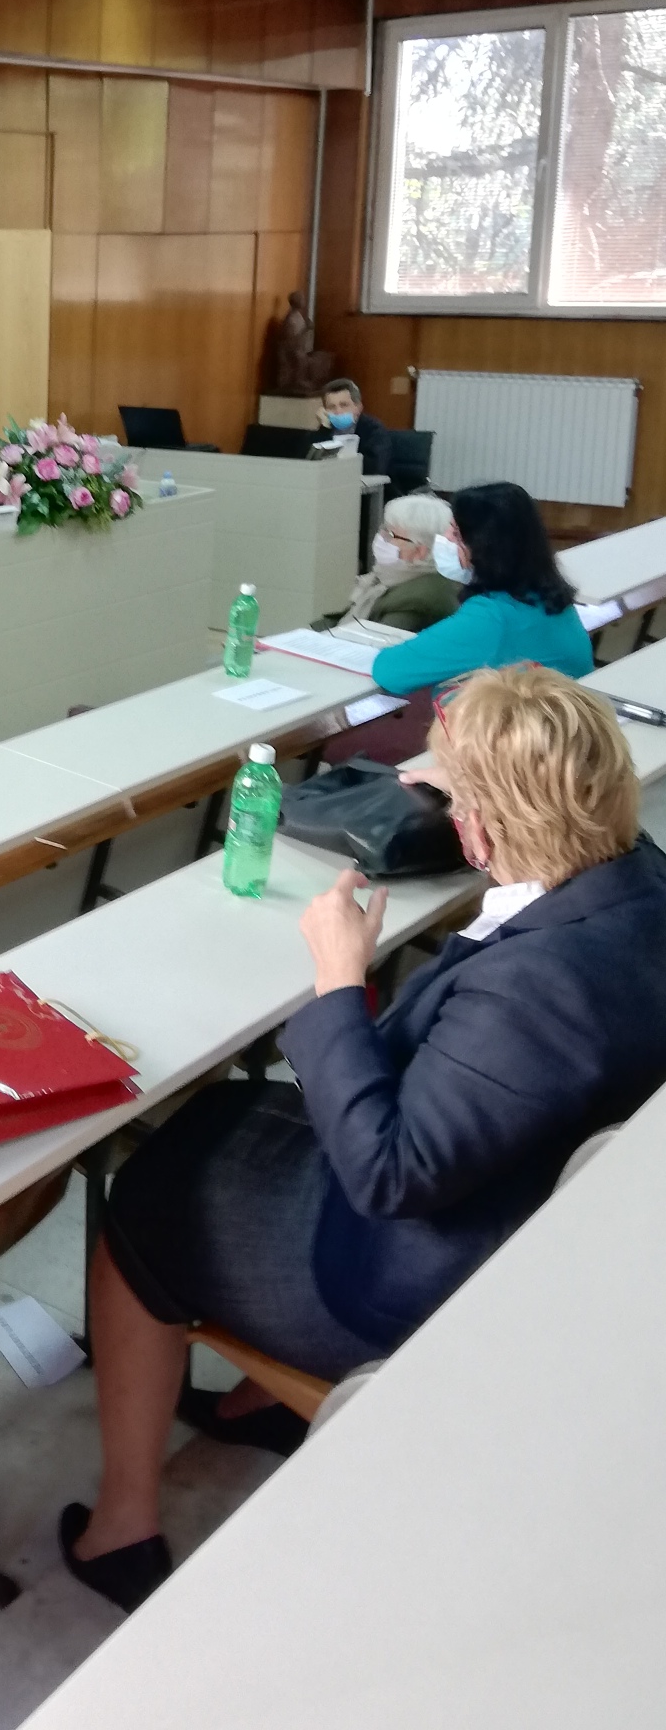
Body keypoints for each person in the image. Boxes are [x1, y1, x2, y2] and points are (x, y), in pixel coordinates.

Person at [60, 663, 666, 1613]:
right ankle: (253, 1401)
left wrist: (341, 981)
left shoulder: (537, 990)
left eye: (449, 795)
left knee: (143, 1202)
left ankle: (123, 1527)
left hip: (412, 1269)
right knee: (217, 1117)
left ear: (480, 826)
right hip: (519, 1193)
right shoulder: (639, 883)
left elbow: (391, 1175)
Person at [371, 480, 592, 695]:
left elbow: (389, 671)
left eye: (455, 534)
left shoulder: (491, 617)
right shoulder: (547, 596)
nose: (445, 539)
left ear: (484, 547)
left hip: (518, 719)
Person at [322, 492, 460, 633]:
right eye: (383, 529)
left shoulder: (418, 600)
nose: (381, 537)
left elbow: (374, 640)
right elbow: (343, 619)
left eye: (391, 535)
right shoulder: (388, 577)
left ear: (420, 551)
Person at [317, 376, 394, 478]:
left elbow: (374, 468)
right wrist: (324, 429)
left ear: (358, 408)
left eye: (344, 405)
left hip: (368, 486)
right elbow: (308, 463)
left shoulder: (374, 430)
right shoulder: (326, 429)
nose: (338, 412)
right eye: (331, 407)